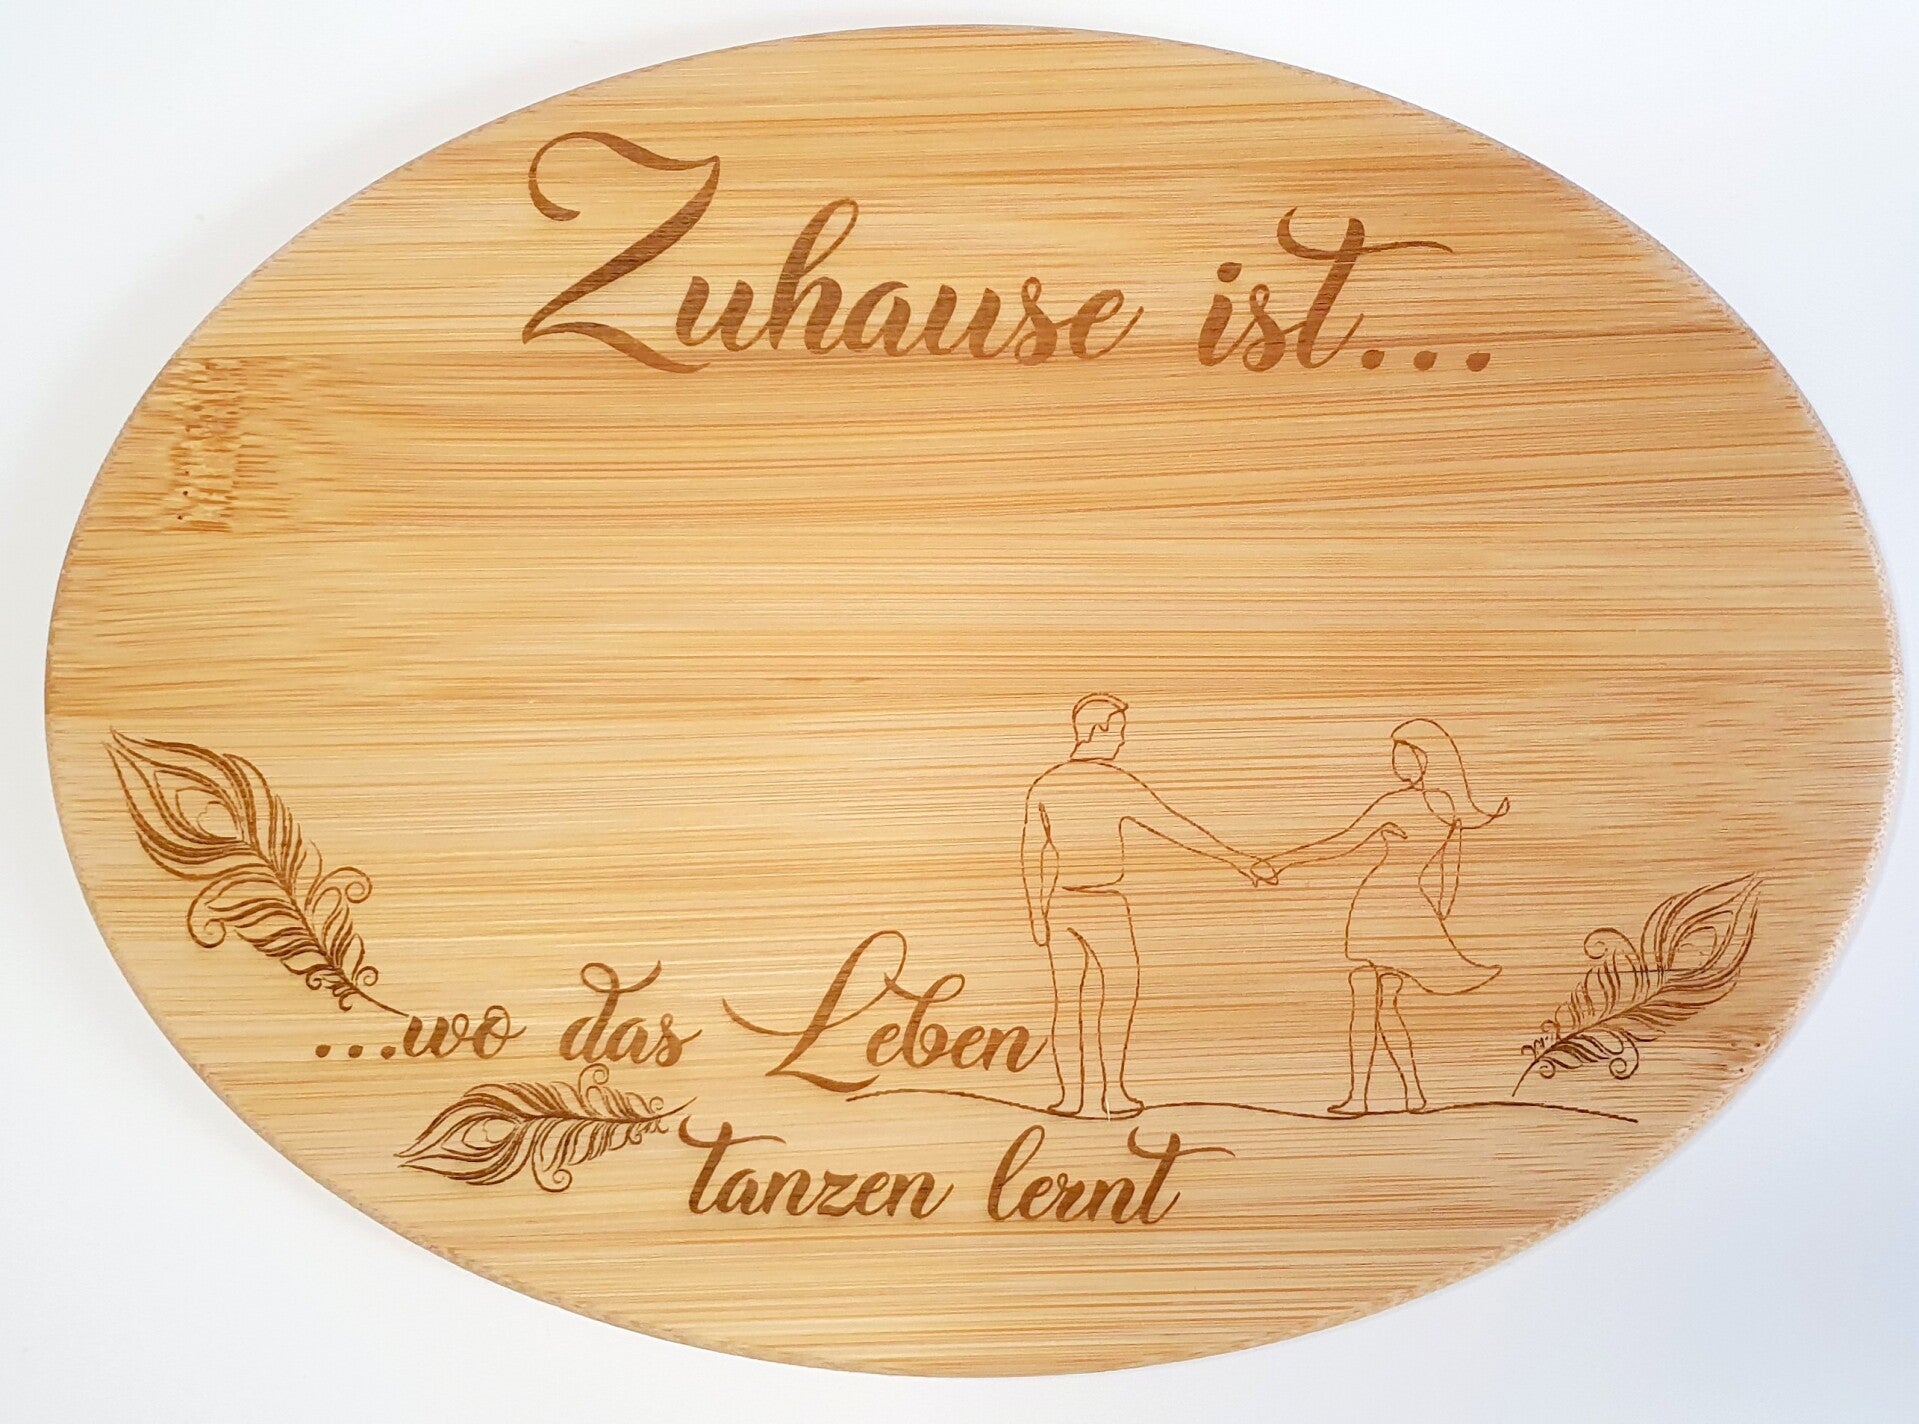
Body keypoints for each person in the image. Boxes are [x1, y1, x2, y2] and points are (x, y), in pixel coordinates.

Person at [1022, 694, 1274, 1119]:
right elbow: (1176, 826)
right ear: (1098, 729)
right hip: (1102, 904)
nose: (1122, 740)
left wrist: (1036, 911)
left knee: (1068, 1003)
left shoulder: (1047, 783)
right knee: (1118, 996)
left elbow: (1033, 853)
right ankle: (1113, 1095)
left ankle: (1072, 1098)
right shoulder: (1115, 782)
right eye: (1118, 730)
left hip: (1060, 905)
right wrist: (1240, 860)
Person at [1271, 719, 1507, 1115]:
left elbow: (1343, 842)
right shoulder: (1448, 807)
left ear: (1423, 758)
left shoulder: (1399, 802)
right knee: (1386, 1005)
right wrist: (1435, 917)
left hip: (1381, 907)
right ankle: (1413, 1095)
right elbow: (1447, 872)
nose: (1396, 761)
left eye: (1403, 752)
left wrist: (1281, 861)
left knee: (1365, 996)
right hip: (1412, 908)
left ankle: (1359, 1098)